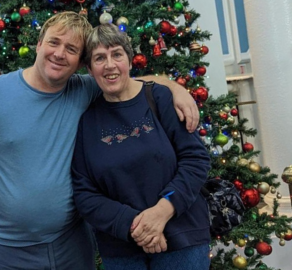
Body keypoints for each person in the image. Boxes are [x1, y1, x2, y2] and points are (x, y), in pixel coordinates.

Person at [0, 11, 200, 270]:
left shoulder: (85, 89)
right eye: (54, 42)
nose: (60, 54)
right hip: (7, 248)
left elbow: (132, 81)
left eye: (71, 49)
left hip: (71, 244)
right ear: (39, 44)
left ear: (80, 64)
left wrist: (176, 89)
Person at [72, 23, 211, 270]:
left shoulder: (160, 98)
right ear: (90, 70)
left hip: (181, 240)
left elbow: (195, 160)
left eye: (117, 54)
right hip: (121, 249)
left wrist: (161, 212)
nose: (110, 65)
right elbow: (84, 193)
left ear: (129, 59)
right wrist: (136, 224)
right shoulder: (87, 122)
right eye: (99, 58)